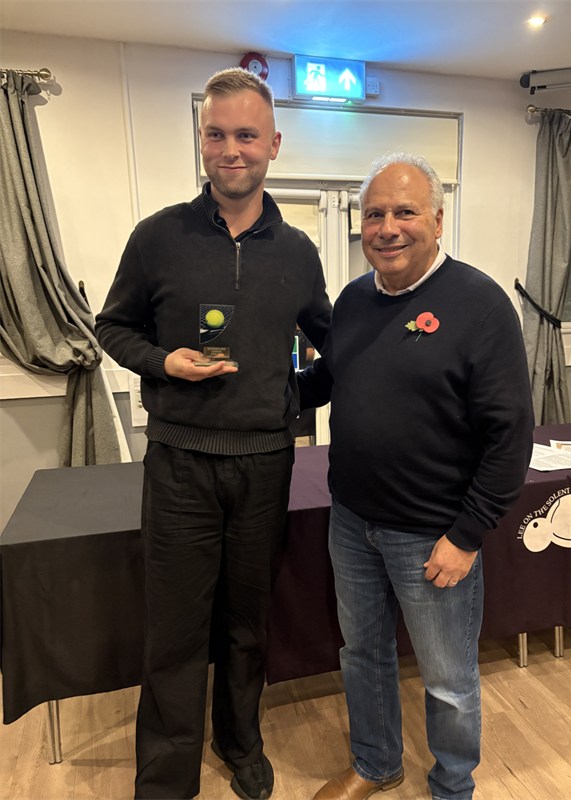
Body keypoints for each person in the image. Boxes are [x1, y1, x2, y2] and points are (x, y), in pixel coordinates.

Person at [95, 68, 331, 800]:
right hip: (179, 465)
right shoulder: (156, 237)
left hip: (265, 466)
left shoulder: (298, 252)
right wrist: (163, 361)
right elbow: (113, 327)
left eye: (247, 136)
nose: (232, 150)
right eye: (217, 135)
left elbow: (335, 344)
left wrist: (290, 395)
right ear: (201, 140)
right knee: (175, 629)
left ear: (274, 144)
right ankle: (166, 776)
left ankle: (240, 742)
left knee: (246, 623)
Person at [299, 153, 534, 800]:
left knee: (448, 679)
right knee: (362, 654)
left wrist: (467, 535)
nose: (387, 227)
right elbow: (325, 379)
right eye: (374, 214)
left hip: (433, 534)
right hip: (352, 522)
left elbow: (510, 435)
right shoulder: (353, 300)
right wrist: (252, 388)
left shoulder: (480, 305)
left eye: (405, 212)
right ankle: (376, 763)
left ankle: (453, 787)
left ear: (437, 219)